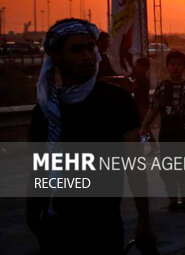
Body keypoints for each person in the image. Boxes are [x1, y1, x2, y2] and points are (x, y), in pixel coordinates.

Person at [27, 18, 154, 255]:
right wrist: (32, 216)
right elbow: (39, 169)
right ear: (56, 56)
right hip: (56, 228)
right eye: (76, 49)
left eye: (90, 47)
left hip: (103, 227)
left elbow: (135, 164)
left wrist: (144, 219)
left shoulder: (117, 101)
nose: (87, 55)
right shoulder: (45, 110)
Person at [141, 50, 185, 212]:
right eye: (172, 65)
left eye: (179, 65)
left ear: (184, 67)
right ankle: (172, 199)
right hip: (167, 129)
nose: (175, 68)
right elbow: (154, 108)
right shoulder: (162, 87)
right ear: (167, 67)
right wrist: (145, 125)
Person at [131, 57, 151, 122]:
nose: (137, 68)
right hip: (141, 104)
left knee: (143, 123)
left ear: (144, 67)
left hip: (142, 105)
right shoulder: (140, 77)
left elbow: (135, 87)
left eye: (138, 66)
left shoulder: (142, 78)